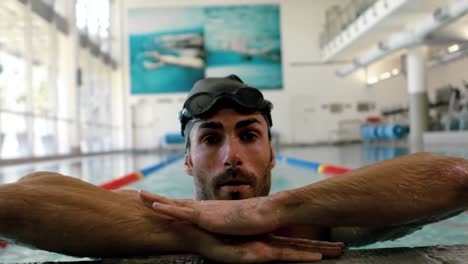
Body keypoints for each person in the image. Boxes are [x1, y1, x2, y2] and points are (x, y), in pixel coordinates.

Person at [139, 74, 468, 246]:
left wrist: (275, 210)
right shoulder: (154, 229)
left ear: (272, 156)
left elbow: (458, 179)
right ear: (186, 161)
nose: (232, 157)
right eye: (211, 139)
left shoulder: (311, 226)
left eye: (249, 135)